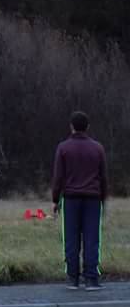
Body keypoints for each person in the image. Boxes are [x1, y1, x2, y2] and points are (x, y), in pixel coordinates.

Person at [51, 111, 108, 291]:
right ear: (87, 127)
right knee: (92, 239)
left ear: (71, 127)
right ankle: (91, 279)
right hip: (93, 199)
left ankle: (73, 278)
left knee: (71, 239)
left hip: (71, 199)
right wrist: (103, 198)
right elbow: (103, 177)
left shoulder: (63, 148)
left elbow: (58, 177)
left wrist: (55, 199)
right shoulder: (98, 148)